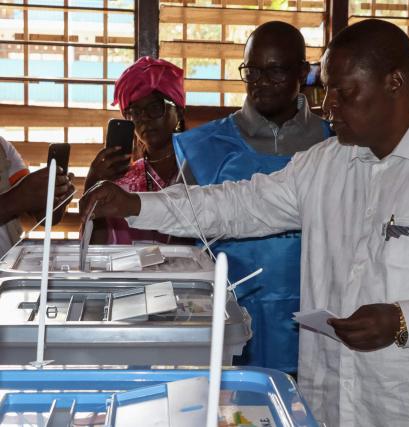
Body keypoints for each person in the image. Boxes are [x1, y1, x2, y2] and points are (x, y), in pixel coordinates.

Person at [80, 19, 409, 426]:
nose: (328, 109)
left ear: (396, 83)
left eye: (344, 94)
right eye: (325, 91)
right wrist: (137, 206)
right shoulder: (325, 163)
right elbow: (239, 205)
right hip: (341, 401)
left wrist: (406, 319)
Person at [172, 21, 331, 374]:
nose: (260, 81)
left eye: (274, 70)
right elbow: (180, 250)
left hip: (319, 333)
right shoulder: (205, 149)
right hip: (231, 334)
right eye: (252, 70)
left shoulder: (336, 145)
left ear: (303, 72)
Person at [84, 56, 186, 244]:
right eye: (135, 112)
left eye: (155, 107)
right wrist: (92, 182)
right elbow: (93, 249)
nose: (144, 119)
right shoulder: (121, 182)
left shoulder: (201, 168)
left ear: (178, 111)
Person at [0, 136, 74, 256]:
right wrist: (16, 199)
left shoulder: (3, 147)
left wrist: (57, 199)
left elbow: (41, 214)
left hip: (6, 263)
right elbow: (19, 197)